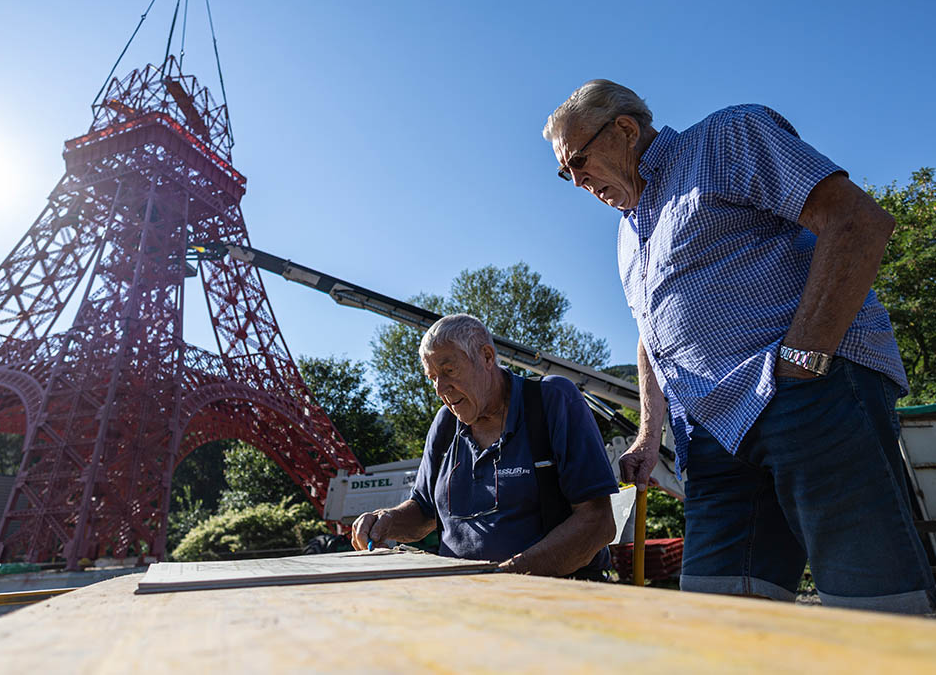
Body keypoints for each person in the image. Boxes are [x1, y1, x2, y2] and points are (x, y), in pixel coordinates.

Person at [542, 79, 936, 613]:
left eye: (579, 160)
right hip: (711, 437)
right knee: (718, 616)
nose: (577, 180)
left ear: (626, 130)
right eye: (566, 173)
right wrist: (647, 435)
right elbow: (653, 335)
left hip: (804, 398)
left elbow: (855, 221)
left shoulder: (726, 138)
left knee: (875, 605)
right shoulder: (626, 237)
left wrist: (803, 360)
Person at [351, 314, 619, 578]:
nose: (439, 388)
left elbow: (597, 523)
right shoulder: (445, 423)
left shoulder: (551, 400)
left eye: (449, 370)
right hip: (466, 598)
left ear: (487, 357)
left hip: (551, 598)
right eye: (432, 377)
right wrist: (385, 520)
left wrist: (503, 577)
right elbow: (424, 511)